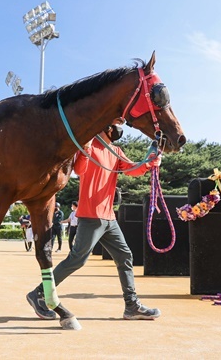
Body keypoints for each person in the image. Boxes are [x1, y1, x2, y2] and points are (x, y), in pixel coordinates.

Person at [27, 122, 162, 320]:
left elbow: (132, 169)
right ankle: (38, 293)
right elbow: (79, 170)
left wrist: (150, 162)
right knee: (77, 260)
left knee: (125, 256)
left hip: (109, 218)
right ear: (104, 128)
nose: (118, 129)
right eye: (115, 125)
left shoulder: (115, 150)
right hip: (91, 216)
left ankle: (131, 305)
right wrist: (86, 145)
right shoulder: (87, 146)